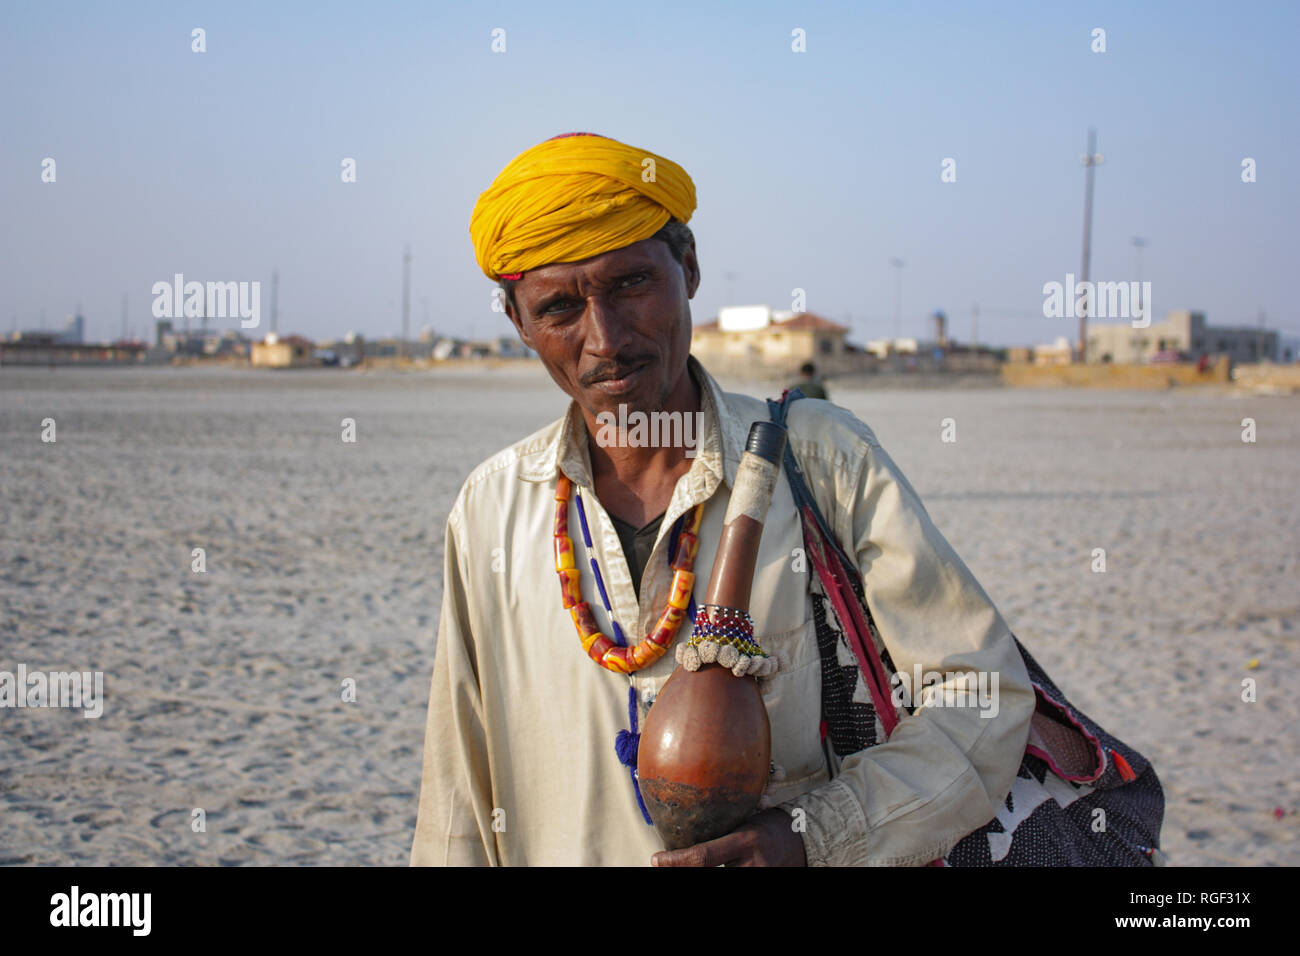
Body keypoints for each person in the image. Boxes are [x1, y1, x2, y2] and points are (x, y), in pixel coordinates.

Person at [411, 132, 1033, 866]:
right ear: (519, 325)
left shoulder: (823, 461)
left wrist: (818, 837)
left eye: (632, 284)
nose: (605, 339)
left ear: (690, 269)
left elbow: (981, 695)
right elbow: (460, 791)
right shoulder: (493, 511)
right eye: (558, 309)